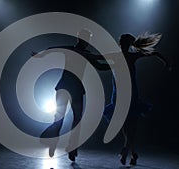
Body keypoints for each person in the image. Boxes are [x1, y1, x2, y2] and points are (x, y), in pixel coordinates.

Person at [32, 29, 111, 161]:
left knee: (73, 119)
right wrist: (41, 55)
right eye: (85, 39)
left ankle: (70, 146)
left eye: (88, 40)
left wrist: (114, 66)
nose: (86, 42)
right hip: (67, 87)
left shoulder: (85, 53)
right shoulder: (74, 50)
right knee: (62, 117)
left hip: (72, 88)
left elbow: (101, 66)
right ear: (79, 39)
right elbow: (53, 48)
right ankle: (57, 142)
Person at [103, 33, 171, 165]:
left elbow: (154, 53)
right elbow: (97, 58)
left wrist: (165, 61)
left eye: (126, 43)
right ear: (121, 44)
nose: (124, 45)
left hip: (130, 93)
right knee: (125, 124)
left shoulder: (130, 56)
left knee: (131, 123)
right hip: (118, 94)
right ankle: (132, 152)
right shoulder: (117, 55)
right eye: (123, 43)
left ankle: (127, 149)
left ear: (127, 45)